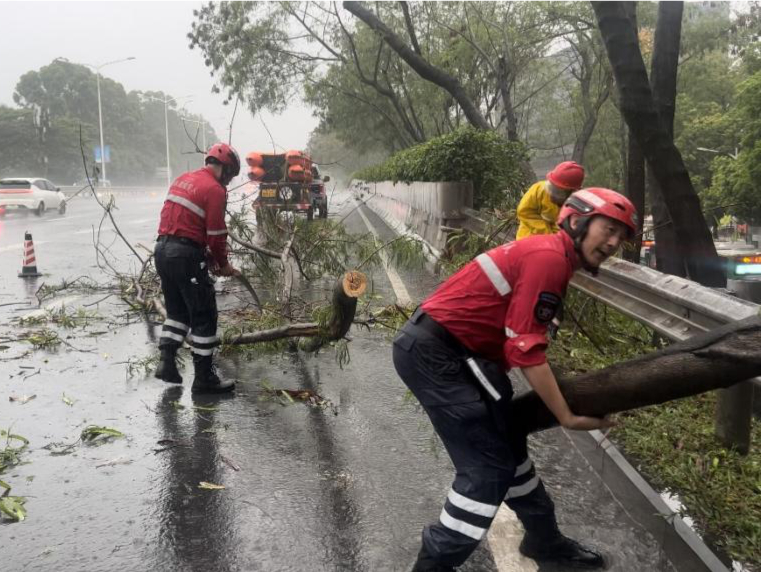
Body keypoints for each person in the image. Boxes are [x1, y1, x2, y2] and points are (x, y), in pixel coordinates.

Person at [393, 188, 638, 571]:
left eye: (621, 237)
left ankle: (545, 541)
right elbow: (523, 351)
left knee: (508, 445)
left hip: (464, 356)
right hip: (441, 355)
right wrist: (567, 417)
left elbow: (519, 341)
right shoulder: (549, 259)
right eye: (608, 229)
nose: (613, 243)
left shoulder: (553, 257)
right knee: (487, 469)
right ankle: (432, 566)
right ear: (576, 221)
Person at [153, 142, 241, 394]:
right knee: (204, 315)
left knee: (177, 312)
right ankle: (204, 379)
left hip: (163, 251)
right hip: (185, 254)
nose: (229, 181)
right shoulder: (214, 189)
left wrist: (206, 257)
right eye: (230, 175)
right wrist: (222, 264)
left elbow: (183, 222)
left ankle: (166, 363)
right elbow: (216, 233)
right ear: (225, 168)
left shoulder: (183, 179)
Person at [516, 161, 585, 240]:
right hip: (528, 236)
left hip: (557, 242)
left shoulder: (575, 206)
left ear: (571, 192)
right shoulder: (538, 190)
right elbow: (524, 212)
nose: (551, 194)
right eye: (551, 187)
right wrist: (546, 232)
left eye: (557, 192)